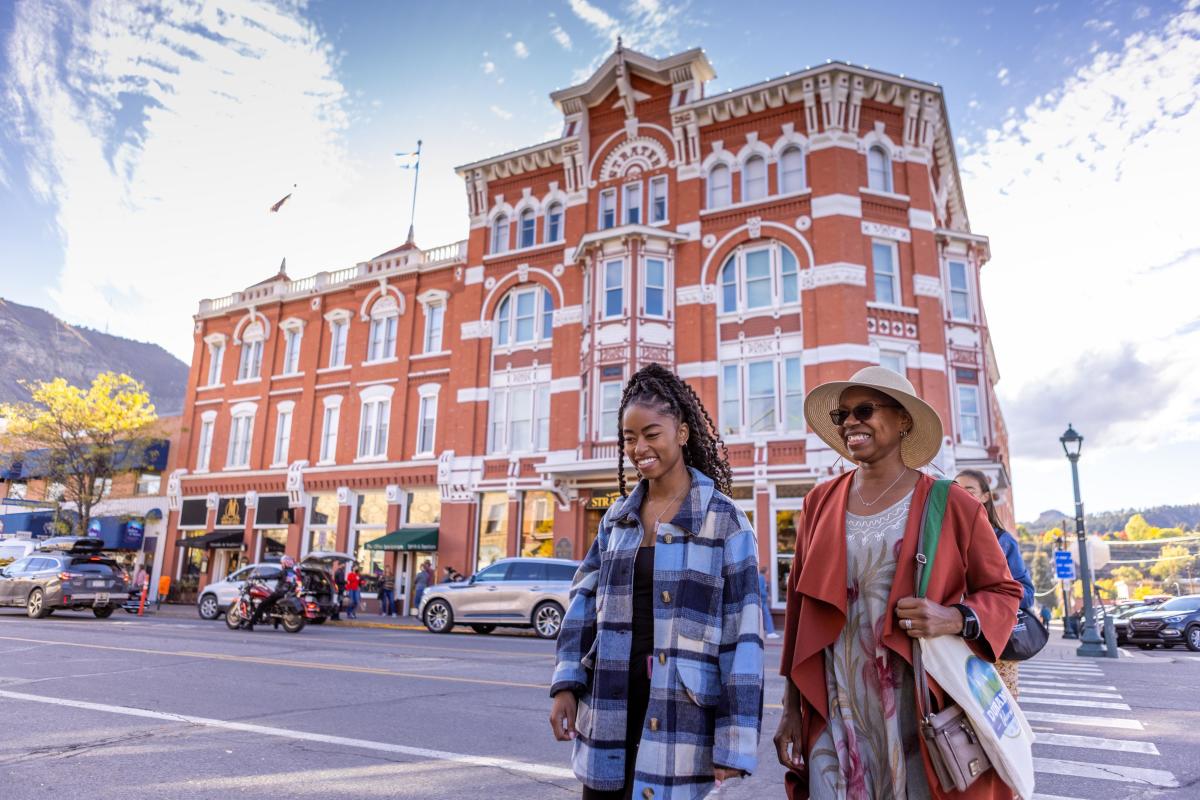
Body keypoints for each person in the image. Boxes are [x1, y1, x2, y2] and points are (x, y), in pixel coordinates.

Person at [774, 366, 1021, 800]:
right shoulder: (819, 502)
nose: (850, 422)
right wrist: (790, 707)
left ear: (903, 419)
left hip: (915, 702)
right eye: (842, 415)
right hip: (835, 701)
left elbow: (1004, 591)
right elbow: (798, 607)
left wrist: (954, 617)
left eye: (864, 410)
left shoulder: (951, 502)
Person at [550, 363, 764, 800]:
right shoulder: (617, 520)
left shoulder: (725, 521)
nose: (639, 448)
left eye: (652, 434)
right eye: (629, 438)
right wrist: (567, 683)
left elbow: (743, 637)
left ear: (682, 433)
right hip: (608, 710)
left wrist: (733, 742)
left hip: (681, 721)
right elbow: (582, 603)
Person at [956, 468, 1035, 698]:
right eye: (957, 490)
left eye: (969, 490)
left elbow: (1027, 593)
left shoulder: (1003, 540)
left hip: (997, 643)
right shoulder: (948, 537)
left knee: (1002, 709)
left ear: (985, 496)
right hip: (958, 641)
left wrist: (989, 599)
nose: (962, 495)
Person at [247, 555, 300, 631]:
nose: (281, 565)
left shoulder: (284, 572)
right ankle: (276, 623)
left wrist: (259, 577)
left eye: (282, 563)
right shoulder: (294, 573)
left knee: (261, 605)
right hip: (288, 594)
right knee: (273, 605)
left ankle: (250, 625)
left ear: (285, 564)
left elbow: (272, 576)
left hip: (279, 593)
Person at [759, 565, 780, 639]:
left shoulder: (760, 577)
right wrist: (767, 596)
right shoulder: (761, 577)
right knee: (767, 616)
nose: (768, 572)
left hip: (761, 601)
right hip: (762, 601)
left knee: (764, 616)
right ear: (765, 571)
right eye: (768, 570)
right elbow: (760, 589)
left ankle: (770, 632)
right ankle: (770, 633)